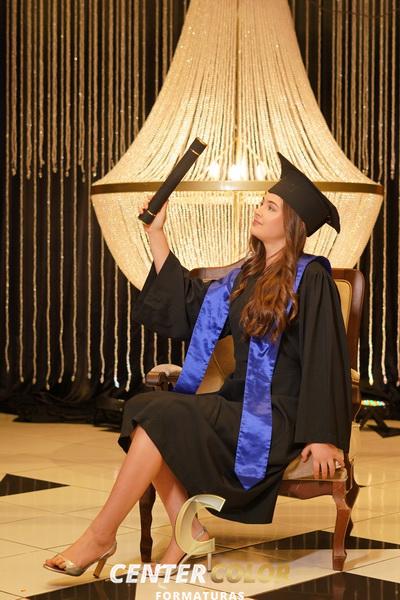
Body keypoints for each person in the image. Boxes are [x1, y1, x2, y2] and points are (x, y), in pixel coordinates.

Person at [43, 152, 352, 577]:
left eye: (270, 206)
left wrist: (322, 436)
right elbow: (190, 308)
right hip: (238, 404)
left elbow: (325, 356)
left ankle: (103, 535)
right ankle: (185, 531)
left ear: (293, 223)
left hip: (280, 416)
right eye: (262, 202)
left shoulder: (312, 277)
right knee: (145, 407)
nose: (258, 209)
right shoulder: (245, 277)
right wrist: (156, 233)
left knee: (157, 415)